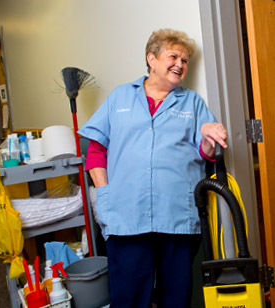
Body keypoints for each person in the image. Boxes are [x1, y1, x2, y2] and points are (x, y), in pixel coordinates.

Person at [79, 29, 227, 308]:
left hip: (177, 216)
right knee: (128, 296)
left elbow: (205, 154)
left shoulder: (193, 102)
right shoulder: (120, 98)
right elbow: (96, 150)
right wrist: (105, 193)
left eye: (185, 61)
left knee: (177, 296)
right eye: (174, 56)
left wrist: (208, 135)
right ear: (152, 59)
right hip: (126, 214)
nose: (180, 65)